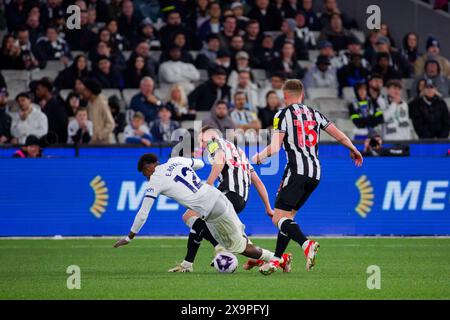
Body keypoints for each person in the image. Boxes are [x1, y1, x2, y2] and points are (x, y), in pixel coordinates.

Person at [249, 79, 363, 275]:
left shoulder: (282, 115)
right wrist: (353, 149)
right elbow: (339, 135)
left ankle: (305, 244)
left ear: (285, 96)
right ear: (302, 95)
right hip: (315, 173)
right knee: (288, 217)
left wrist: (258, 157)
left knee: (278, 217)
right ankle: (277, 259)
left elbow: (275, 147)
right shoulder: (315, 113)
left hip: (296, 170)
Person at [113, 154, 279, 273]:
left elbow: (143, 212)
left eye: (145, 174)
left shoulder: (155, 180)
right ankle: (188, 264)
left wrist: (130, 236)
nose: (147, 178)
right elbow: (199, 163)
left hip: (212, 209)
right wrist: (186, 165)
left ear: (149, 167)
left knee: (240, 247)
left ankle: (276, 259)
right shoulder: (175, 160)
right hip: (217, 196)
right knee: (191, 218)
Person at [169, 126, 280, 272]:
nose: (202, 144)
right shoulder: (239, 153)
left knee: (194, 219)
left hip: (228, 194)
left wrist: (208, 186)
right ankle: (277, 259)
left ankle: (196, 259)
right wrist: (268, 207)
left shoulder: (214, 143)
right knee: (195, 218)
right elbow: (257, 181)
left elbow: (219, 161)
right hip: (239, 199)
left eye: (202, 139)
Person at [81, 79, 115, 144]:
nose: (83, 92)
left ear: (90, 91)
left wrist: (99, 136)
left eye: (85, 90)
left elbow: (111, 124)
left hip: (103, 144)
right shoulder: (89, 103)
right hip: (92, 142)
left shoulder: (102, 103)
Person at [34, 78, 68, 144]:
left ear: (45, 89)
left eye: (38, 89)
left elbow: (64, 122)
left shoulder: (56, 104)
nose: (36, 92)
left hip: (57, 143)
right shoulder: (46, 105)